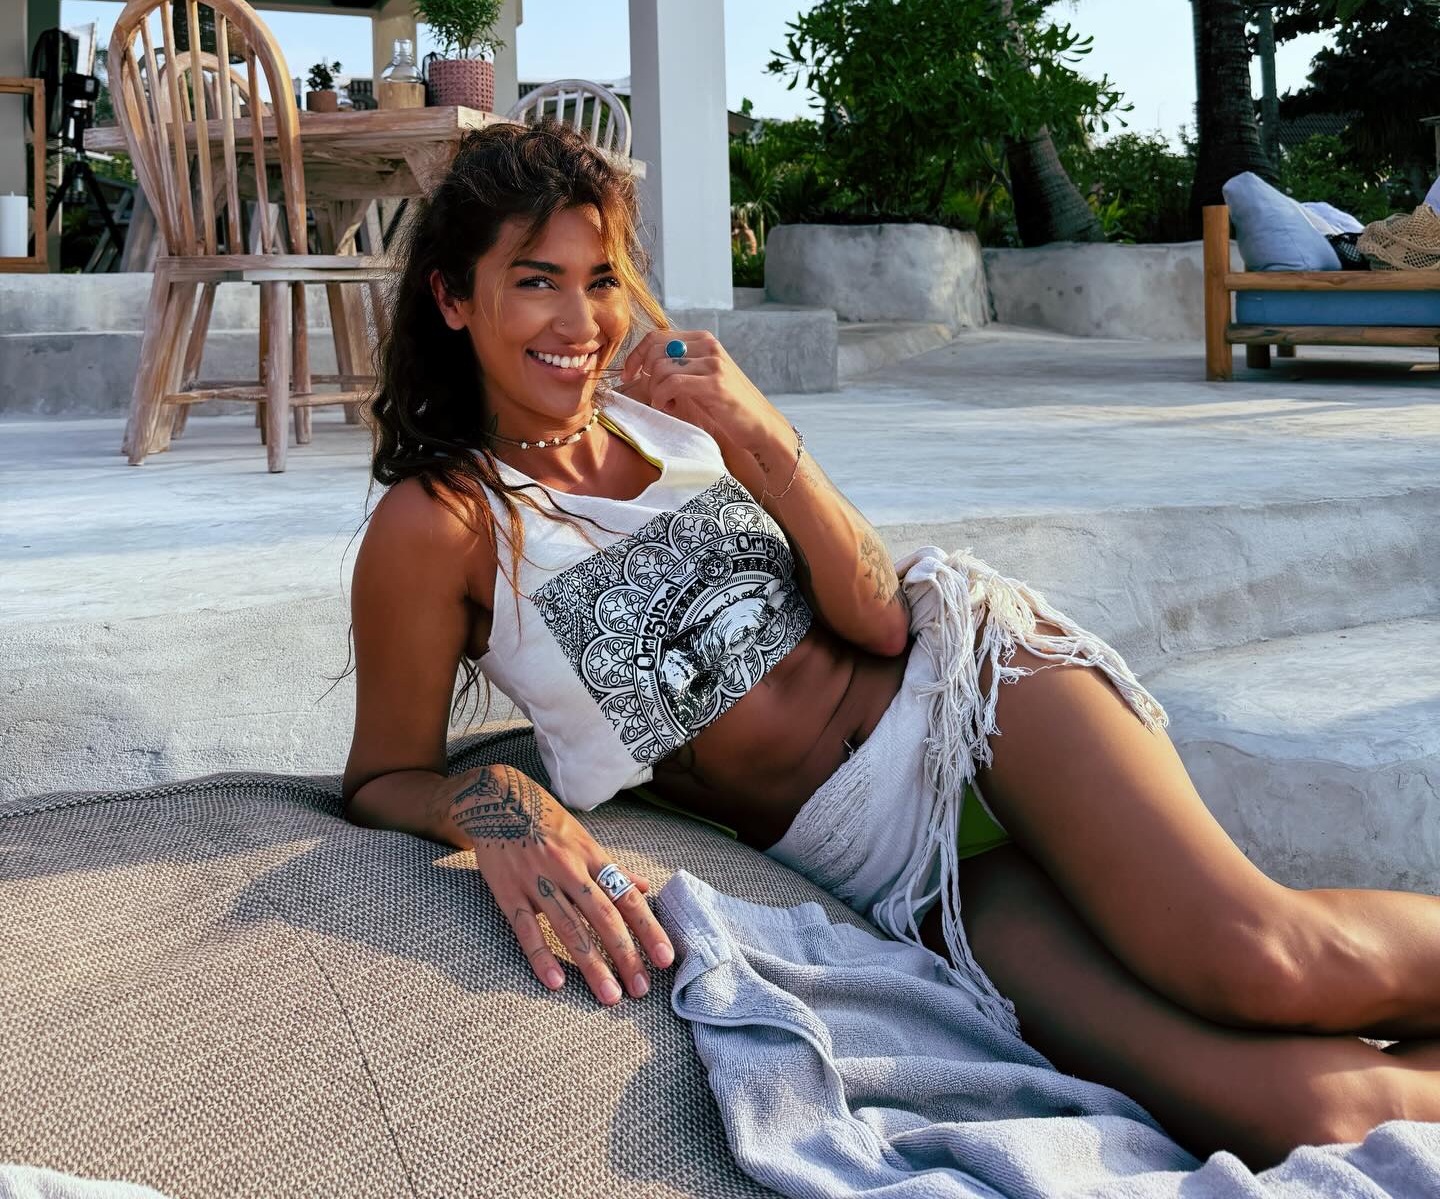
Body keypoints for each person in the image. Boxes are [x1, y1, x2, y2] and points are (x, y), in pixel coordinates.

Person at [345, 122, 1440, 1171]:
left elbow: (875, 619)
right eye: (536, 280)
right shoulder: (441, 524)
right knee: (1316, 1115)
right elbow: (385, 773)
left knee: (1260, 959)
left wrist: (758, 430)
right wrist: (495, 801)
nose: (581, 320)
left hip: (970, 698)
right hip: (900, 868)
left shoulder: (669, 420)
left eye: (600, 280)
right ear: (453, 297)